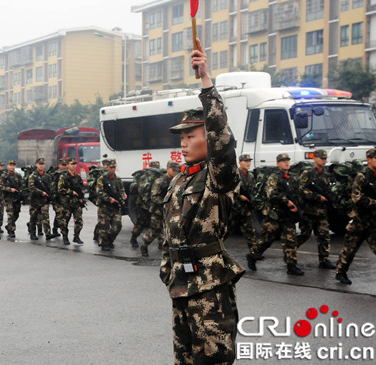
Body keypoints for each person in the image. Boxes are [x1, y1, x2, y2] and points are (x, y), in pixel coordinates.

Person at [160, 39, 245, 365]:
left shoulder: (218, 177)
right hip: (181, 286)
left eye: (190, 136)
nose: (183, 143)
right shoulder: (182, 178)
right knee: (184, 360)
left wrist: (206, 81)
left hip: (210, 290)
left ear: (206, 139)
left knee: (213, 361)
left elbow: (221, 135)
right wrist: (168, 272)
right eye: (181, 137)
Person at [246, 154, 305, 276]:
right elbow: (271, 194)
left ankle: (291, 266)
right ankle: (252, 255)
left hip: (287, 215)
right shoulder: (274, 177)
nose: (286, 163)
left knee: (290, 240)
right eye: (283, 161)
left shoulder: (291, 178)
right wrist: (287, 201)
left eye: (287, 160)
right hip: (274, 215)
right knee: (266, 240)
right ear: (278, 163)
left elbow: (296, 194)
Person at [336, 148, 376, 285]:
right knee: (349, 249)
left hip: (375, 222)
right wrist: (374, 203)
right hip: (360, 220)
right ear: (369, 160)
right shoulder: (362, 177)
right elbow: (356, 197)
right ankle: (340, 273)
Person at [296, 149, 336, 269]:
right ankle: (290, 252)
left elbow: (328, 190)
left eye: (325, 159)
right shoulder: (307, 173)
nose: (324, 161)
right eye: (321, 158)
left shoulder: (325, 174)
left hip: (321, 211)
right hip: (308, 211)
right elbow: (302, 190)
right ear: (315, 159)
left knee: (324, 235)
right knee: (304, 235)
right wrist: (318, 197)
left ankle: (324, 260)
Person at [140, 161, 179, 257]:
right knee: (154, 231)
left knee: (167, 231)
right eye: (173, 170)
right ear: (168, 168)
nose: (175, 172)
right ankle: (144, 245)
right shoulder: (160, 181)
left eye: (176, 171)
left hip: (169, 211)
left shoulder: (175, 181)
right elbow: (154, 197)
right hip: (158, 211)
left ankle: (165, 248)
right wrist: (166, 202)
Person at [95, 159, 126, 251]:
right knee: (104, 227)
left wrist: (123, 196)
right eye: (111, 167)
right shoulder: (102, 179)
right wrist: (109, 199)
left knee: (117, 226)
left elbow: (122, 189)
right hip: (104, 207)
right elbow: (99, 191)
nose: (113, 169)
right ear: (107, 167)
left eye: (114, 167)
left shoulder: (118, 179)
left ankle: (109, 240)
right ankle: (104, 243)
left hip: (115, 207)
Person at [229, 154, 258, 251]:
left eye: (249, 161)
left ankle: (254, 252)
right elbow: (228, 190)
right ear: (240, 162)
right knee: (226, 230)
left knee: (250, 230)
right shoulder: (234, 174)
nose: (248, 163)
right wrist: (239, 196)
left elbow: (252, 190)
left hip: (245, 208)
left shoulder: (251, 176)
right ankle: (215, 250)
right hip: (235, 208)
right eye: (245, 161)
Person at [130, 160, 161, 247]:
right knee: (140, 223)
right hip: (144, 205)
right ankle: (133, 238)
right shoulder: (144, 178)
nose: (156, 170)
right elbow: (142, 192)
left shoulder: (159, 177)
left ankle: (160, 242)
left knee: (157, 224)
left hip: (154, 205)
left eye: (157, 168)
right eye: (155, 168)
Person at [57, 157, 85, 245]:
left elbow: (81, 189)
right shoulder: (63, 177)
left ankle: (76, 236)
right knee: (64, 221)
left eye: (74, 164)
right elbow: (60, 189)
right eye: (71, 164)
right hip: (66, 203)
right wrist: (70, 192)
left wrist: (81, 197)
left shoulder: (78, 177)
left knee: (79, 221)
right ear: (68, 165)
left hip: (76, 203)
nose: (73, 166)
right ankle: (65, 237)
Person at [28, 157, 53, 241]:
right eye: (39, 164)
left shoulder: (47, 176)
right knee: (33, 217)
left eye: (42, 164)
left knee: (45, 216)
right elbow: (31, 187)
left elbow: (50, 187)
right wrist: (41, 192)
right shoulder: (32, 176)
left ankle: (48, 233)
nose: (41, 166)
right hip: (35, 200)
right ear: (36, 165)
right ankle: (32, 233)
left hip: (44, 200)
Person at [0, 160, 24, 238]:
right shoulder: (4, 176)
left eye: (13, 165)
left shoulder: (18, 176)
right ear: (8, 166)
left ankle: (9, 225)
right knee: (10, 214)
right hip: (8, 198)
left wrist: (21, 191)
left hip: (16, 198)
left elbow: (22, 185)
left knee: (16, 214)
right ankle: (11, 230)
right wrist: (9, 189)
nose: (12, 166)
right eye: (10, 165)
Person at [51, 158, 68, 237]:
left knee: (63, 214)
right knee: (59, 213)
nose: (64, 167)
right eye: (63, 165)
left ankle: (57, 228)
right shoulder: (56, 174)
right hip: (57, 197)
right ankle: (56, 229)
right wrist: (54, 197)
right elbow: (53, 186)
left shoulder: (68, 174)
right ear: (59, 165)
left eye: (65, 165)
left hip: (65, 198)